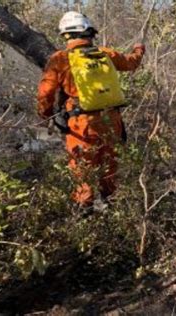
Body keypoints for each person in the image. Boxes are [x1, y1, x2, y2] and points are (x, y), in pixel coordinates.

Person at [37, 11, 145, 207]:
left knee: (83, 172)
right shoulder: (105, 53)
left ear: (66, 35)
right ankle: (111, 208)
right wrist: (139, 49)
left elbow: (45, 94)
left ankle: (84, 214)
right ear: (88, 32)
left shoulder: (60, 59)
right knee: (109, 168)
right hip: (112, 121)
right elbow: (132, 63)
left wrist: (47, 115)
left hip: (81, 125)